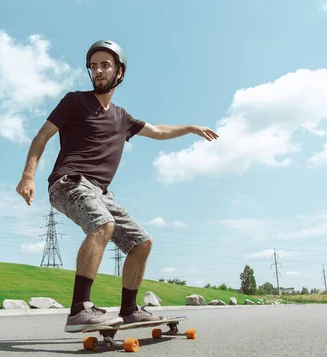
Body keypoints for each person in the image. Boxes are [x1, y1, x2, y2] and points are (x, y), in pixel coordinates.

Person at [16, 40, 219, 333]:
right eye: (93, 66)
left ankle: (130, 309)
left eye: (105, 65)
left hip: (99, 192)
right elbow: (41, 136)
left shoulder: (122, 118)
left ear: (119, 72)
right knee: (103, 224)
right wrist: (28, 176)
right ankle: (79, 309)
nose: (97, 71)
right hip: (68, 182)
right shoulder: (74, 101)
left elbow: (158, 131)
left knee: (141, 242)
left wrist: (189, 128)